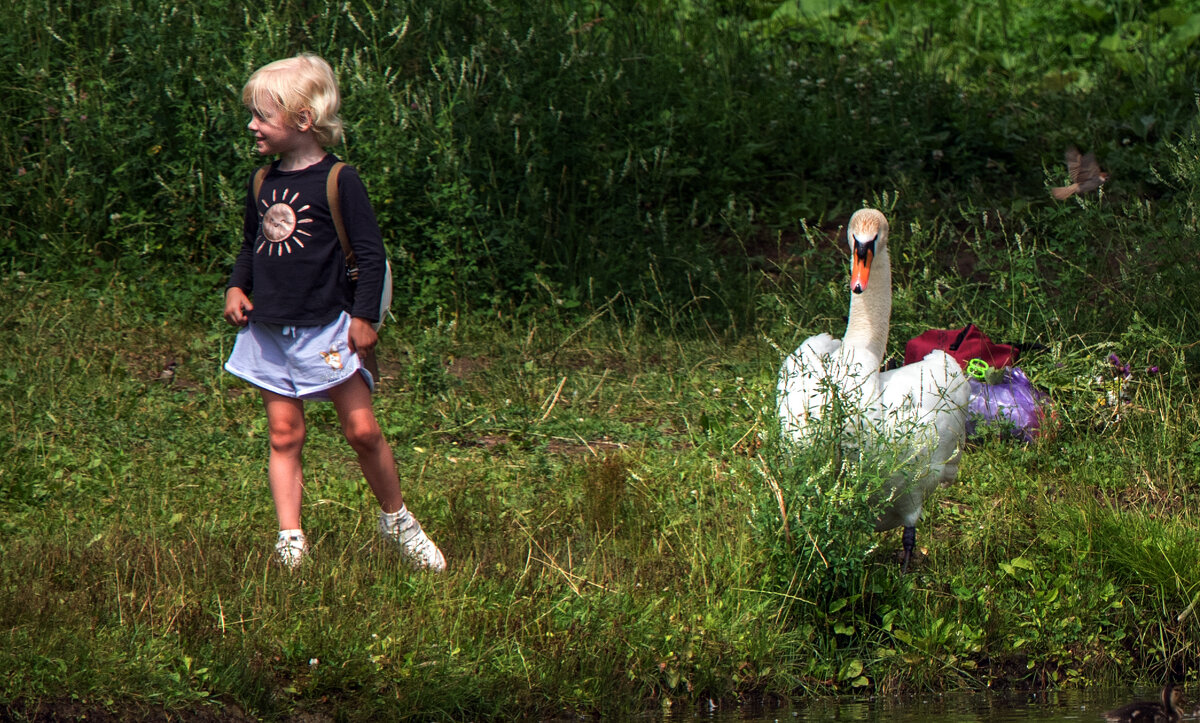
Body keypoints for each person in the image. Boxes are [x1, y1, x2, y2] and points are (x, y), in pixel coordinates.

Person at [222, 54, 444, 571]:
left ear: (302, 121)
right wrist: (237, 286)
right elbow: (250, 244)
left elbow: (369, 254)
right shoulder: (262, 183)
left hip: (329, 328)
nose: (251, 125)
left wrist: (364, 319)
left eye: (261, 115)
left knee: (362, 431)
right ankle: (291, 541)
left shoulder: (340, 180)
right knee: (283, 434)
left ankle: (397, 522)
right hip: (270, 331)